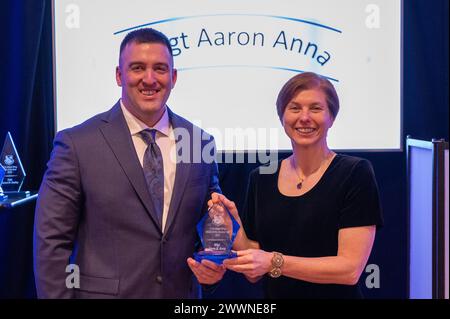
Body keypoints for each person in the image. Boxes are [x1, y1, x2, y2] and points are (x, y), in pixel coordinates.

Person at [34, 28, 225, 298]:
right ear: (119, 75)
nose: (149, 79)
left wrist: (215, 261)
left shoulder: (200, 142)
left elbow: (212, 217)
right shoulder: (76, 144)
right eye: (137, 68)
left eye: (160, 69)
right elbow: (51, 244)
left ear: (173, 77)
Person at [213, 72, 383, 298]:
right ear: (282, 117)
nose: (304, 117)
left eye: (315, 108)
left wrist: (274, 261)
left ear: (331, 117)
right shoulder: (261, 177)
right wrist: (233, 228)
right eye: (294, 108)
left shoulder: (355, 173)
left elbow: (349, 270)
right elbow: (255, 272)